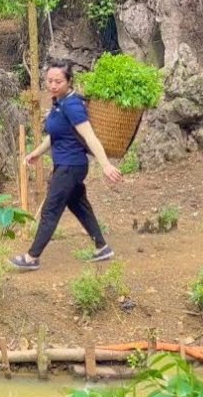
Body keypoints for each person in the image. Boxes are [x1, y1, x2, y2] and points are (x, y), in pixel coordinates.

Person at [10, 65, 121, 271]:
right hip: (67, 164)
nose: (52, 85)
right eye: (50, 80)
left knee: (50, 210)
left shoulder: (72, 105)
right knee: (79, 205)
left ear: (69, 81)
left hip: (71, 166)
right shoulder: (59, 103)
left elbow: (89, 136)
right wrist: (36, 152)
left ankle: (32, 257)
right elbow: (55, 135)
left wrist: (105, 165)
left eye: (58, 81)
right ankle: (102, 247)